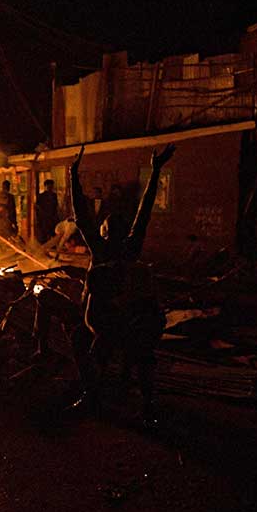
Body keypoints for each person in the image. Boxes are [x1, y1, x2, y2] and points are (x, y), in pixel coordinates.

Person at [69, 143, 176, 418]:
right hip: (127, 320)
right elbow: (145, 211)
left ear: (104, 231)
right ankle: (144, 402)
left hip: (106, 322)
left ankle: (92, 397)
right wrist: (155, 172)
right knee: (134, 357)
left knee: (92, 352)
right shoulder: (131, 246)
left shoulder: (101, 248)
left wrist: (73, 176)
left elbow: (82, 216)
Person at [36, 178, 59, 244]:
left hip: (52, 218)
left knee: (53, 233)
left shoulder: (54, 195)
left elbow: (55, 206)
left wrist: (55, 216)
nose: (50, 188)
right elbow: (38, 208)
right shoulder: (41, 196)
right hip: (44, 218)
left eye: (51, 187)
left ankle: (52, 247)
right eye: (49, 186)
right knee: (44, 234)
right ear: (45, 186)